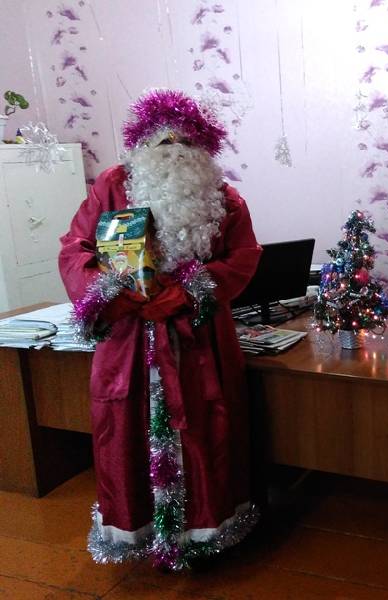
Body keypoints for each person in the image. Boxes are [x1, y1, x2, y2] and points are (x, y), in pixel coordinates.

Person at [59, 89, 262, 570]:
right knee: (124, 429)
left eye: (186, 141)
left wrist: (191, 291)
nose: (174, 149)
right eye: (163, 139)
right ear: (142, 144)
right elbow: (74, 248)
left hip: (199, 337)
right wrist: (114, 292)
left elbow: (244, 256)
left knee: (207, 428)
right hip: (127, 337)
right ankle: (137, 531)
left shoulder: (225, 198)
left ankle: (204, 531)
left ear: (203, 148)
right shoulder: (112, 185)